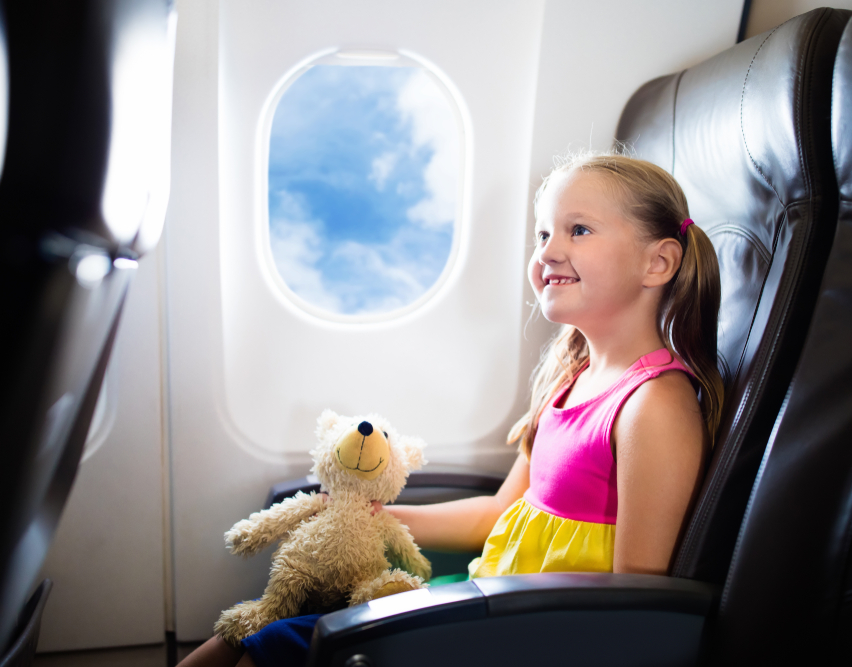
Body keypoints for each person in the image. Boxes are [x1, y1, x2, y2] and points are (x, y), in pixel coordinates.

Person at [179, 152, 723, 667]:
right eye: (542, 234)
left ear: (659, 262)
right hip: (490, 602)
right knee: (250, 632)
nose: (547, 251)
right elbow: (497, 516)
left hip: (533, 635)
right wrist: (380, 518)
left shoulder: (653, 404)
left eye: (577, 230)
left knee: (283, 642)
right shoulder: (572, 379)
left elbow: (636, 602)